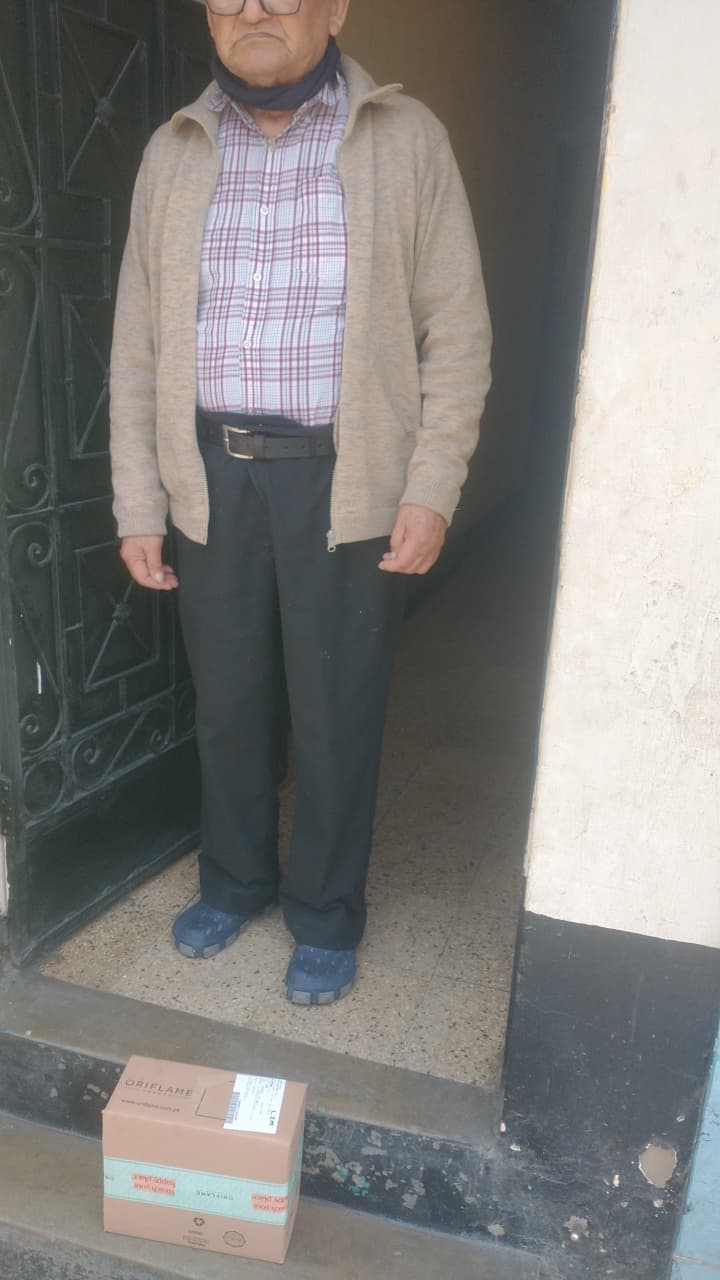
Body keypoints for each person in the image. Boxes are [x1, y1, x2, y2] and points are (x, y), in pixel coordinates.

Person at [109, 0, 492, 1006]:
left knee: (335, 711)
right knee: (228, 704)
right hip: (210, 474)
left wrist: (432, 486)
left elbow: (456, 329)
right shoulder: (174, 151)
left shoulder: (404, 139)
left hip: (348, 475)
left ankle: (324, 913)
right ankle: (235, 881)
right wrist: (138, 498)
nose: (253, 11)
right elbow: (137, 341)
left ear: (334, 10)